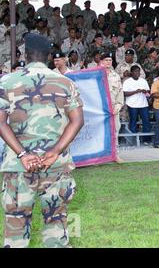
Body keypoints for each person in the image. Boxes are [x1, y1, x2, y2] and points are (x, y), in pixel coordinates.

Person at [0, 33, 84, 248]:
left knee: (16, 224)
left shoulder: (7, 81)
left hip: (18, 166)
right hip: (55, 165)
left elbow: (1, 122)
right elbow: (77, 121)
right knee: (56, 222)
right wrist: (56, 151)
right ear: (48, 57)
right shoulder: (66, 83)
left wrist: (23, 154)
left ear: (25, 55)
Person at [100, 52, 124, 161]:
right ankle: (100, 156)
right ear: (101, 62)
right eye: (106, 60)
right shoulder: (96, 75)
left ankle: (115, 155)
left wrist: (118, 106)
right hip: (100, 109)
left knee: (115, 131)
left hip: (113, 108)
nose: (108, 62)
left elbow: (120, 92)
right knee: (99, 132)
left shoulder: (116, 76)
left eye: (110, 60)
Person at [122, 65, 151, 145]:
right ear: (131, 73)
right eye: (135, 71)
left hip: (143, 104)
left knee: (146, 122)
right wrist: (136, 91)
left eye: (138, 71)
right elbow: (124, 93)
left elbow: (148, 92)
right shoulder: (127, 81)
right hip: (132, 104)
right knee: (133, 122)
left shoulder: (143, 81)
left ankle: (146, 140)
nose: (137, 73)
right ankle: (133, 140)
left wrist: (145, 91)